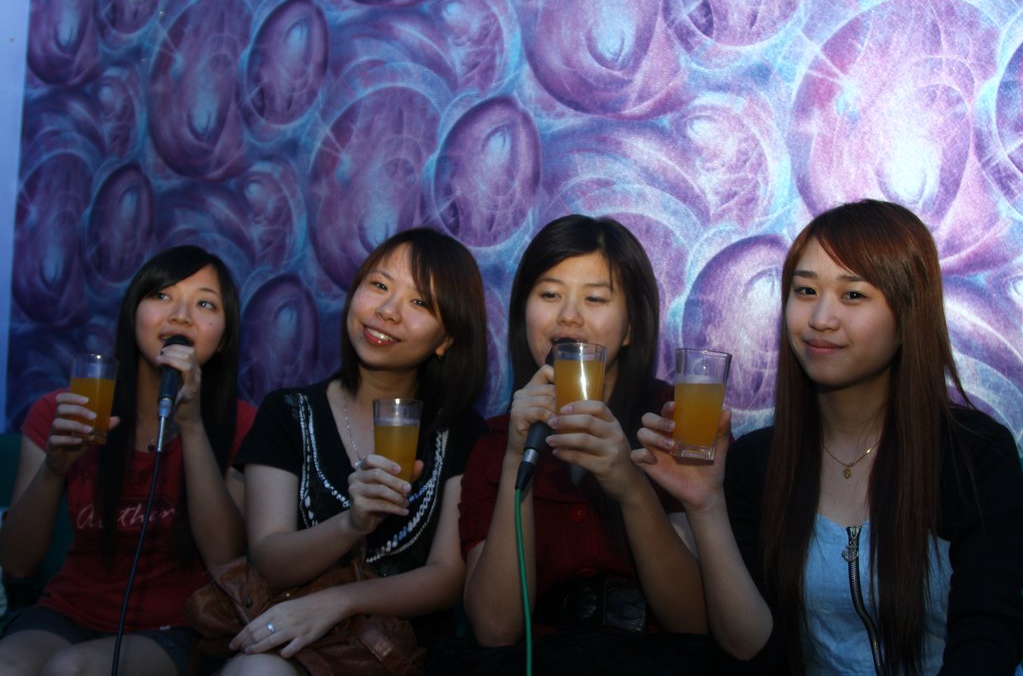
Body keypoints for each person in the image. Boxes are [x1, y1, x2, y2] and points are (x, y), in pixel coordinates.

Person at [635, 199, 1023, 674]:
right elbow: (751, 650)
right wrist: (705, 506)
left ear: (909, 314)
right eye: (805, 290)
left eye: (853, 294)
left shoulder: (974, 453)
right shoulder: (758, 462)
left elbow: (988, 638)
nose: (820, 317)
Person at [444, 214, 723, 675]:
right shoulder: (493, 444)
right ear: (523, 314)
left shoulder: (674, 421)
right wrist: (516, 457)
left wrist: (630, 488)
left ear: (631, 328)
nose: (568, 315)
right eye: (549, 295)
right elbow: (495, 630)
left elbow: (694, 622)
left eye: (595, 298)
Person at [222, 228, 489, 675]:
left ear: (447, 339)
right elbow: (269, 560)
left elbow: (448, 577)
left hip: (409, 654)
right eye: (379, 285)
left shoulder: (462, 432)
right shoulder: (288, 412)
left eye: (419, 302)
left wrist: (338, 602)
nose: (387, 311)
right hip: (297, 646)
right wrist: (353, 523)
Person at [0, 245, 256, 676]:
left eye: (205, 304)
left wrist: (192, 427)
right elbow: (16, 563)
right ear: (133, 313)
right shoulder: (64, 412)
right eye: (162, 295)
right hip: (65, 614)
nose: (180, 316)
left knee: (72, 669)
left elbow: (224, 560)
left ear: (224, 338)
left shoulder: (244, 424)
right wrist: (54, 468)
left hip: (180, 627)